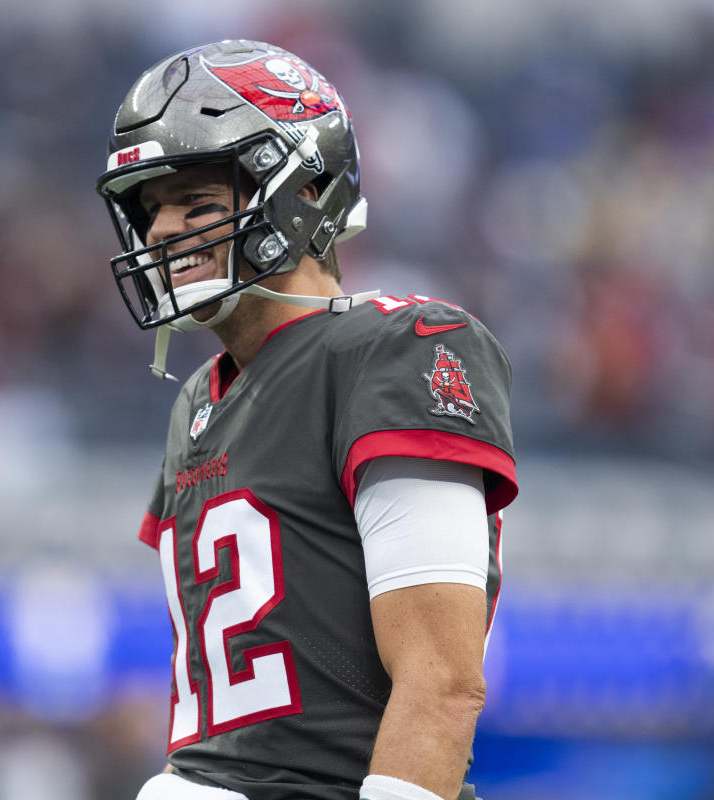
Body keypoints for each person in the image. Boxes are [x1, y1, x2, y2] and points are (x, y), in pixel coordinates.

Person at [94, 40, 518, 800]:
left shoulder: (393, 349)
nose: (161, 231)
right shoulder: (198, 398)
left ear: (305, 189)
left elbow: (444, 682)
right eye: (154, 208)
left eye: (196, 201)